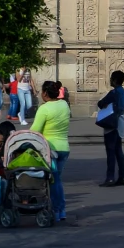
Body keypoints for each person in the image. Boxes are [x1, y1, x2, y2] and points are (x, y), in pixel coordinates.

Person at [33, 80, 73, 221]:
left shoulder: (44, 109)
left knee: (54, 181)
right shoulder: (64, 105)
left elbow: (35, 131)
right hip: (64, 148)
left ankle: (57, 210)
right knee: (57, 180)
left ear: (45, 93)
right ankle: (61, 210)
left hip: (50, 150)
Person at [95, 69, 124, 186]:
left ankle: (110, 177)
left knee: (110, 151)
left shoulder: (113, 92)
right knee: (119, 150)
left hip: (111, 123)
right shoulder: (123, 92)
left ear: (114, 80)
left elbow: (100, 103)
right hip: (120, 122)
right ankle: (122, 176)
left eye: (111, 78)